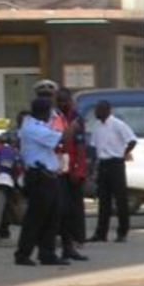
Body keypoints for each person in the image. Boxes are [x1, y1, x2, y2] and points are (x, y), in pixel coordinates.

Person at [16, 96, 67, 266]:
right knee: (35, 218)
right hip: (39, 176)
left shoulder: (39, 125)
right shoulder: (32, 128)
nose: (50, 115)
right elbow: (61, 138)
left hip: (49, 176)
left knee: (52, 217)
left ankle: (47, 253)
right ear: (42, 112)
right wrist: (72, 126)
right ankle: (23, 254)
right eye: (48, 112)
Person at [89, 100, 137, 243]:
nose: (96, 113)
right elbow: (94, 146)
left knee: (120, 199)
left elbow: (132, 140)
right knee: (104, 201)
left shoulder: (117, 124)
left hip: (116, 163)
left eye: (99, 110)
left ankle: (122, 232)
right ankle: (101, 233)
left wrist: (123, 153)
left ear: (107, 110)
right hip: (103, 163)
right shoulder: (97, 126)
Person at [53, 88, 88, 262]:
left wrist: (78, 169)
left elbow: (81, 147)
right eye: (59, 101)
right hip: (56, 169)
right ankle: (62, 241)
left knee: (74, 207)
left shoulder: (76, 119)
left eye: (65, 100)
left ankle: (76, 240)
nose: (62, 104)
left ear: (71, 102)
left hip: (72, 168)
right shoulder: (53, 118)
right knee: (60, 208)